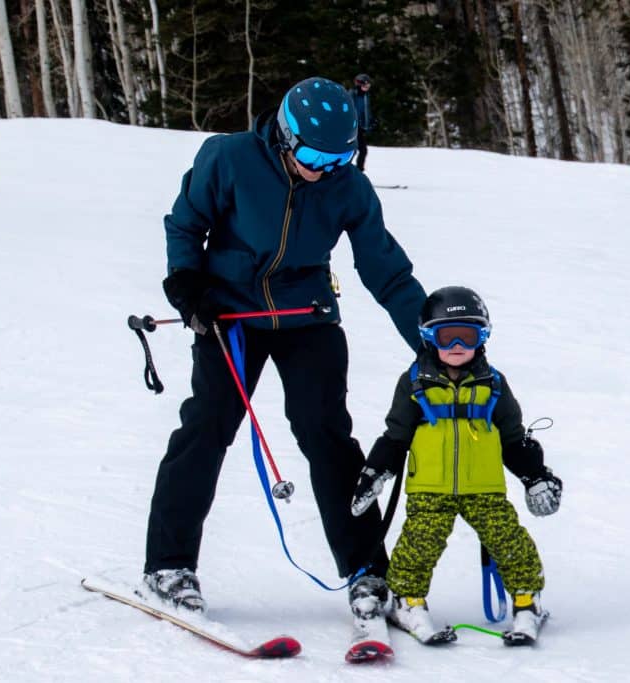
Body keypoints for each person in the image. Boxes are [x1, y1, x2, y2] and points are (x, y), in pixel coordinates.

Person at [142, 76, 427, 623]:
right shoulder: (227, 159)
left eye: (339, 157)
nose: (323, 168)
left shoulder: (348, 186)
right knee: (207, 425)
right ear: (285, 135)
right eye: (315, 155)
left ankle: (367, 570)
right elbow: (186, 224)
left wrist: (430, 341)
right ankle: (169, 565)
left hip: (307, 314)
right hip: (230, 314)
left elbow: (386, 272)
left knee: (327, 435)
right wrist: (186, 282)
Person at [350, 286, 563, 644]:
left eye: (468, 335)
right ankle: (409, 600)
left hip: (485, 489)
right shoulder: (415, 383)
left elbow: (513, 439)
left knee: (510, 541)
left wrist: (536, 476)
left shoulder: (493, 385)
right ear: (429, 337)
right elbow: (395, 436)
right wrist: (375, 472)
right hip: (429, 489)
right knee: (419, 544)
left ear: (483, 337)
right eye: (447, 336)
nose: (457, 346)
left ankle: (527, 600)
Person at [351, 74, 373, 172]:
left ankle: (359, 172)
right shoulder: (351, 95)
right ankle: (343, 173)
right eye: (365, 86)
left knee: (363, 151)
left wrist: (370, 122)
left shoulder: (365, 97)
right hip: (351, 128)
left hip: (360, 128)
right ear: (359, 85)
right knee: (352, 151)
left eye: (368, 87)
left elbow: (366, 111)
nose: (366, 89)